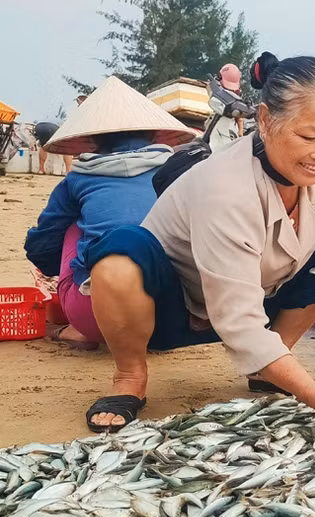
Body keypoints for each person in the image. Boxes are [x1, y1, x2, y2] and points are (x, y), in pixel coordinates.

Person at [82, 52, 315, 432]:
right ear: (265, 121)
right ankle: (130, 376)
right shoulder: (226, 188)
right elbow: (240, 324)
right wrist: (313, 393)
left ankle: (272, 368)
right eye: (307, 136)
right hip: (170, 311)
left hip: (258, 300)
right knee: (118, 258)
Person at [24, 76, 197, 350]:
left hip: (95, 315)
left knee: (75, 227)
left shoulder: (78, 180)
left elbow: (42, 243)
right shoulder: (179, 174)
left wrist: (52, 270)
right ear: (153, 134)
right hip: (174, 315)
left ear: (92, 140)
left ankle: (80, 330)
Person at [207, 63, 245, 152]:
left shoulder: (236, 97)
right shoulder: (216, 90)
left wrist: (240, 132)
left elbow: (240, 117)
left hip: (226, 131)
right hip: (221, 127)